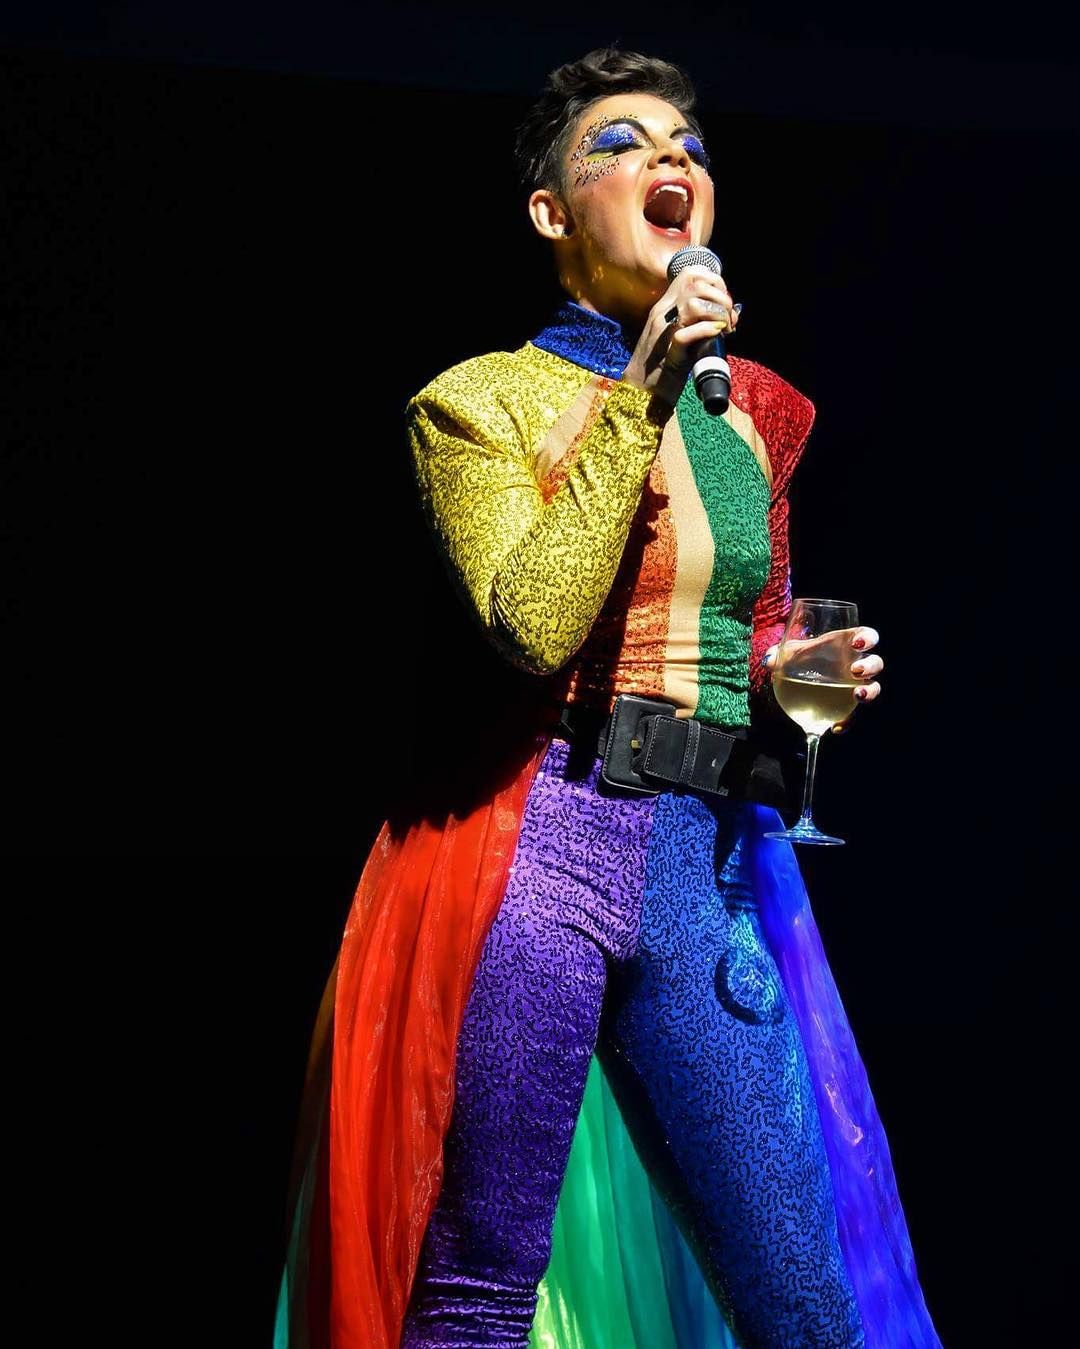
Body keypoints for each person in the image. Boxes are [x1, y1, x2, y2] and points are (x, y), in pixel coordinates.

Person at [275, 48, 941, 1349]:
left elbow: (738, 638)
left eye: (689, 144)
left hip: (702, 860)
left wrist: (786, 680)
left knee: (806, 1305)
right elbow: (531, 625)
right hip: (540, 853)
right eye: (623, 143)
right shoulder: (479, 401)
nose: (671, 157)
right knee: (478, 1286)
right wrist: (639, 395)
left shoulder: (750, 416)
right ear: (552, 213)